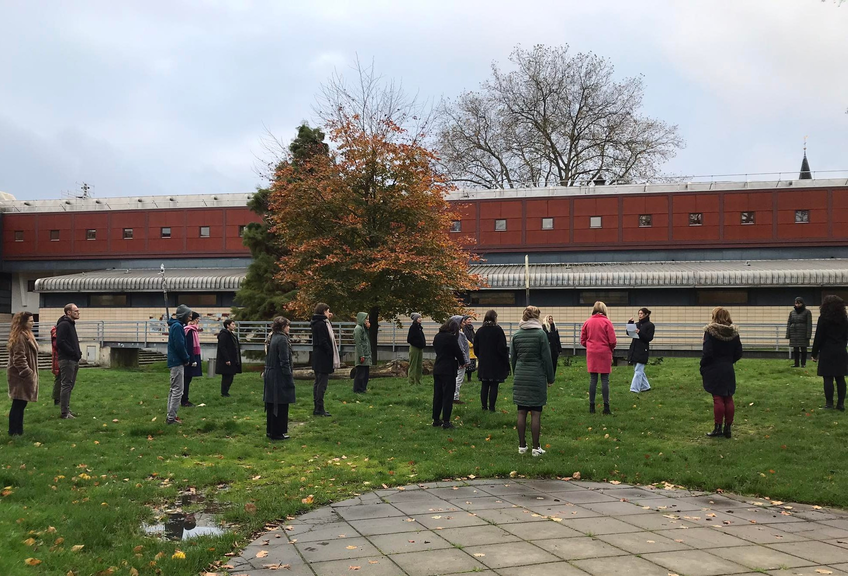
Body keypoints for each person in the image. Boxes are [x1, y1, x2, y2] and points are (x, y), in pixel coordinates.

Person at [511, 306, 555, 457]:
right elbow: (547, 358)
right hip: (536, 376)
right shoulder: (541, 335)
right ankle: (536, 448)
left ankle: (522, 446)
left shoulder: (517, 335)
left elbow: (513, 358)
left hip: (521, 375)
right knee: (536, 413)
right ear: (536, 317)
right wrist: (550, 378)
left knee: (521, 411)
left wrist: (516, 373)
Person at [701, 307, 743, 438]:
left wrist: (704, 365)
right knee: (728, 397)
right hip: (728, 367)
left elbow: (707, 352)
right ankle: (728, 428)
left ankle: (718, 427)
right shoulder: (734, 333)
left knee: (717, 398)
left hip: (714, 367)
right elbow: (739, 352)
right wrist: (729, 361)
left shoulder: (710, 332)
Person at [811, 295, 848, 411]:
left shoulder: (823, 319)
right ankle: (841, 404)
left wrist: (814, 353)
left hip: (827, 351)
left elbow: (819, 337)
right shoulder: (844, 319)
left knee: (828, 378)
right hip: (841, 350)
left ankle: (829, 403)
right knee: (840, 378)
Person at [580, 301, 617, 415]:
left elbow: (583, 340)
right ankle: (606, 407)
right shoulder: (607, 322)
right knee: (605, 380)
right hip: (604, 352)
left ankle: (592, 406)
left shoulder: (587, 322)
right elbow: (612, 341)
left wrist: (590, 346)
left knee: (593, 379)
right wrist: (610, 348)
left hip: (592, 352)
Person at [7, 312, 38, 436]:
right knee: (18, 404)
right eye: (31, 321)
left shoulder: (27, 334)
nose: (33, 323)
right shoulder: (20, 337)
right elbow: (19, 359)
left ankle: (18, 431)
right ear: (23, 322)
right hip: (20, 377)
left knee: (21, 403)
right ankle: (14, 431)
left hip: (22, 376)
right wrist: (27, 373)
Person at [264, 316, 295, 440]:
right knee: (280, 404)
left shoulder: (272, 337)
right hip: (279, 375)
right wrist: (288, 377)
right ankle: (278, 432)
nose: (289, 328)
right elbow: (284, 360)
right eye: (287, 325)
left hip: (270, 373)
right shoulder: (282, 339)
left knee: (272, 404)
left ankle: (271, 430)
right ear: (282, 327)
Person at [432, 319, 466, 429]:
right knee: (448, 396)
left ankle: (436, 419)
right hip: (448, 369)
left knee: (438, 395)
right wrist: (463, 362)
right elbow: (458, 352)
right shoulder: (451, 338)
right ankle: (446, 421)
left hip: (438, 367)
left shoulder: (437, 336)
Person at [474, 310, 510, 412]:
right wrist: (504, 360)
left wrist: (481, 356)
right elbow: (502, 347)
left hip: (484, 362)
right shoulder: (498, 330)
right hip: (496, 362)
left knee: (484, 385)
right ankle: (492, 407)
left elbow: (476, 347)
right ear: (495, 318)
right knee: (494, 385)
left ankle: (484, 407)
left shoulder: (480, 331)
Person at [311, 303, 339, 417]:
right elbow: (323, 340)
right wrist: (330, 351)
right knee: (322, 384)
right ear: (323, 311)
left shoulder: (317, 322)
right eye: (327, 311)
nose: (329, 313)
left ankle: (317, 407)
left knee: (317, 382)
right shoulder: (322, 324)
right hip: (323, 357)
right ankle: (319, 408)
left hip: (317, 356)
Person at [166, 305, 192, 425]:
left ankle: (170, 415)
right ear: (183, 316)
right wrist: (186, 358)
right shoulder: (177, 327)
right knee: (177, 391)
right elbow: (179, 345)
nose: (190, 318)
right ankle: (171, 418)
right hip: (177, 362)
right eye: (189, 316)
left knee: (173, 390)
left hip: (174, 361)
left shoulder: (176, 326)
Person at [56, 303, 82, 419]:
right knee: (66, 385)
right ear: (69, 312)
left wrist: (77, 353)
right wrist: (72, 352)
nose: (78, 312)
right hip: (67, 360)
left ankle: (66, 409)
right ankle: (64, 412)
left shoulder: (70, 324)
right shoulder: (64, 325)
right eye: (76, 311)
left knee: (69, 385)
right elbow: (60, 342)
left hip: (73, 359)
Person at [628, 308, 655, 393]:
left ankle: (634, 389)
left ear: (646, 314)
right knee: (638, 369)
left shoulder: (650, 325)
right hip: (635, 348)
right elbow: (629, 333)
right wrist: (630, 324)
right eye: (639, 313)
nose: (640, 315)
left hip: (643, 349)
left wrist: (639, 332)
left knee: (638, 370)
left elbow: (649, 338)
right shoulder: (637, 324)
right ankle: (645, 387)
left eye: (641, 313)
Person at [216, 318, 242, 397]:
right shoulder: (224, 335)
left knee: (230, 376)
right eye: (232, 324)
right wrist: (227, 359)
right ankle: (224, 392)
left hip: (233, 358)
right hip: (227, 359)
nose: (234, 326)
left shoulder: (232, 335)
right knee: (226, 376)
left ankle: (226, 392)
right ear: (228, 325)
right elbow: (222, 347)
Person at [182, 312, 202, 407]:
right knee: (186, 379)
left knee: (188, 379)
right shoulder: (189, 331)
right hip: (190, 357)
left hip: (192, 356)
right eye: (197, 319)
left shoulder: (193, 330)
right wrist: (192, 359)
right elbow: (189, 346)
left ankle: (184, 398)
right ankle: (184, 400)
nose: (198, 321)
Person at [787, 297, 813, 368]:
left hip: (803, 333)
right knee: (795, 349)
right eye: (796, 303)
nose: (797, 305)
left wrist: (808, 335)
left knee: (803, 348)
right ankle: (796, 363)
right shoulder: (792, 312)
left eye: (799, 303)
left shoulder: (807, 312)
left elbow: (809, 324)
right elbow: (789, 323)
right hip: (794, 333)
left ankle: (803, 363)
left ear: (802, 303)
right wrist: (788, 334)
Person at [451, 315, 471, 404]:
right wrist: (465, 361)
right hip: (460, 361)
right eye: (462, 322)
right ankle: (455, 396)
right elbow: (461, 348)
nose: (464, 323)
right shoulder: (459, 335)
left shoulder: (455, 333)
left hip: (456, 360)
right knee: (458, 379)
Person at [353, 312, 372, 393]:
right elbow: (358, 343)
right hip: (362, 354)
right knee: (360, 373)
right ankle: (357, 389)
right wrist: (361, 355)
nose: (367, 321)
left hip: (366, 353)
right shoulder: (358, 329)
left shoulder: (364, 329)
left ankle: (363, 388)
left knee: (365, 374)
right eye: (366, 319)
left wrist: (367, 328)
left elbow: (366, 339)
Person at [406, 313, 426, 385]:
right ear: (415, 319)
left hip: (420, 348)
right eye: (419, 318)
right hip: (414, 348)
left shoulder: (419, 328)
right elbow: (409, 339)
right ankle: (411, 381)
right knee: (413, 365)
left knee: (419, 365)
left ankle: (418, 381)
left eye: (420, 318)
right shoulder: (413, 328)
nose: (420, 319)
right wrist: (418, 343)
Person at [463, 317, 477, 382]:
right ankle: (462, 378)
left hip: (472, 351)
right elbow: (464, 339)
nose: (470, 321)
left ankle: (469, 378)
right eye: (468, 319)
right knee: (465, 365)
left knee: (471, 366)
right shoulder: (463, 329)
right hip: (466, 349)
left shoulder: (471, 329)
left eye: (470, 320)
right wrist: (470, 344)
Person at [50, 325, 60, 406]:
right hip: (58, 359)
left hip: (58, 359)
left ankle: (59, 398)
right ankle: (57, 398)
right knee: (59, 379)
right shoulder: (56, 331)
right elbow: (56, 345)